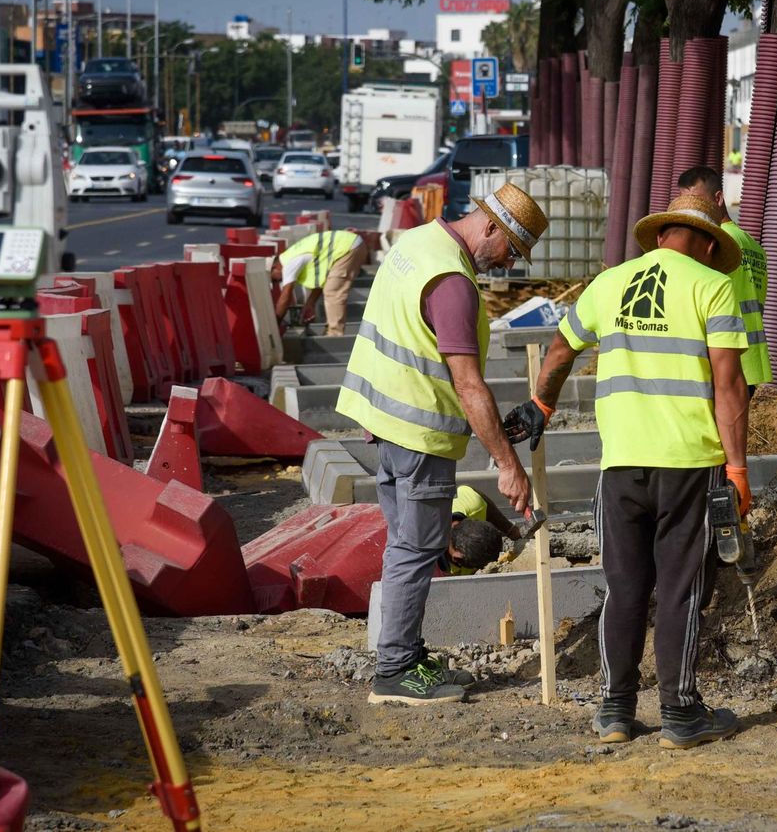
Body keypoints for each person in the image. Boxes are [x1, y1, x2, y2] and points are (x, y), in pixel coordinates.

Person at [505, 193, 750, 750]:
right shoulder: (712, 285)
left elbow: (562, 348)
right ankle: (681, 715)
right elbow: (730, 386)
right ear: (709, 243)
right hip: (689, 465)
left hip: (620, 467)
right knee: (681, 592)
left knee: (625, 590)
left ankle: (615, 712)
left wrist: (542, 406)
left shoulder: (610, 283)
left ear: (662, 235)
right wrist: (737, 469)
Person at [336, 181, 548, 705]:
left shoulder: (417, 243)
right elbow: (468, 384)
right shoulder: (453, 282)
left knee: (406, 544)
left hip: (385, 422)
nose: (507, 266)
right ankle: (396, 670)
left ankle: (402, 651)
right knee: (417, 548)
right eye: (510, 252)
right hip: (418, 435)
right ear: (492, 226)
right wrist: (507, 463)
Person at [677, 166, 773, 395]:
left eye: (697, 201)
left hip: (724, 357)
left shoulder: (718, 243)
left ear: (718, 198)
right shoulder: (751, 244)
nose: (692, 210)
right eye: (685, 203)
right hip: (749, 359)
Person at [273, 228, 371, 336]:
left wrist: (276, 322)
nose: (278, 281)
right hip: (350, 246)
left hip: (348, 248)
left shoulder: (288, 263)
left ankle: (334, 334)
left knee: (333, 291)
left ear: (275, 268)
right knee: (331, 287)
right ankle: (332, 330)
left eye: (275, 279)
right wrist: (310, 303)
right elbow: (322, 279)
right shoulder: (292, 255)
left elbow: (285, 297)